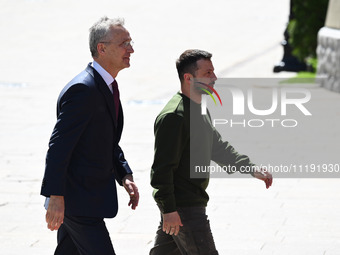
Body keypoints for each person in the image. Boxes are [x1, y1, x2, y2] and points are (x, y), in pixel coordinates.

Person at [150, 49, 273, 255]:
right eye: (208, 73)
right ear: (188, 78)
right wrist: (169, 210)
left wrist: (251, 169)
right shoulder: (175, 116)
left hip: (185, 206)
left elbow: (217, 147)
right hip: (184, 209)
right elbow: (161, 170)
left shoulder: (198, 108)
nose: (214, 78)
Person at [40, 16, 139, 255]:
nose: (131, 49)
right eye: (124, 43)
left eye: (130, 42)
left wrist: (123, 173)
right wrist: (55, 196)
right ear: (101, 48)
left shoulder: (107, 86)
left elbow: (106, 139)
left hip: (86, 199)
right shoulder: (83, 90)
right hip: (77, 202)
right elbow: (59, 146)